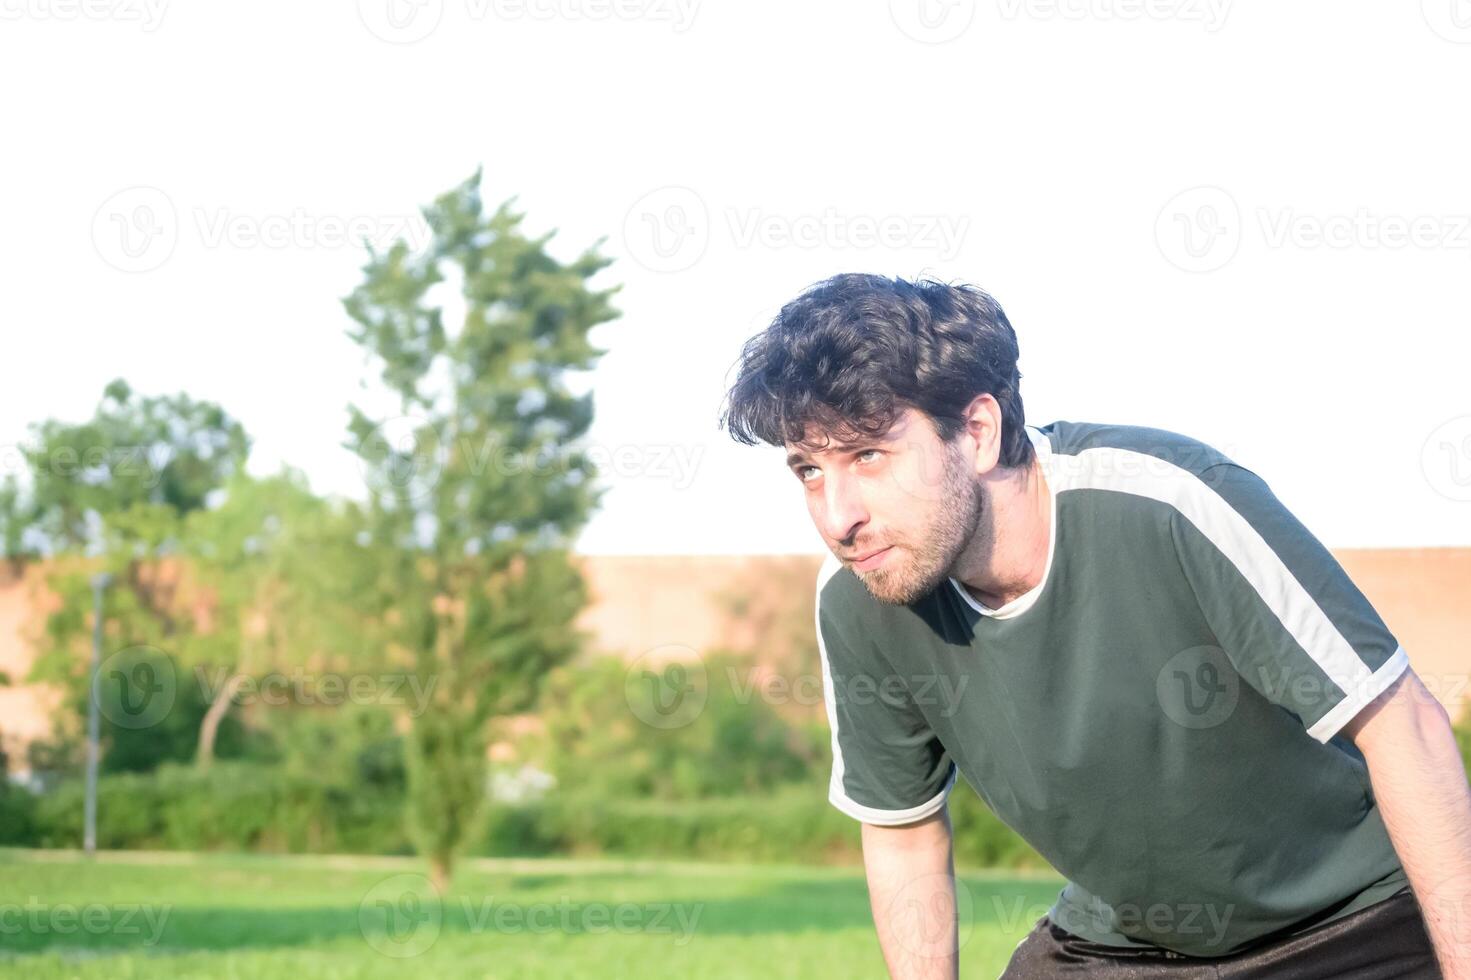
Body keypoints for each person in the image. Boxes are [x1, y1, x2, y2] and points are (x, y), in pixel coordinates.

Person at [718, 273, 1471, 979]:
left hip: (1358, 921)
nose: (836, 515)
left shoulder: (1171, 502)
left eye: (867, 455)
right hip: (1125, 947)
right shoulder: (860, 590)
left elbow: (1402, 728)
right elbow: (903, 829)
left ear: (976, 431)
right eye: (808, 470)